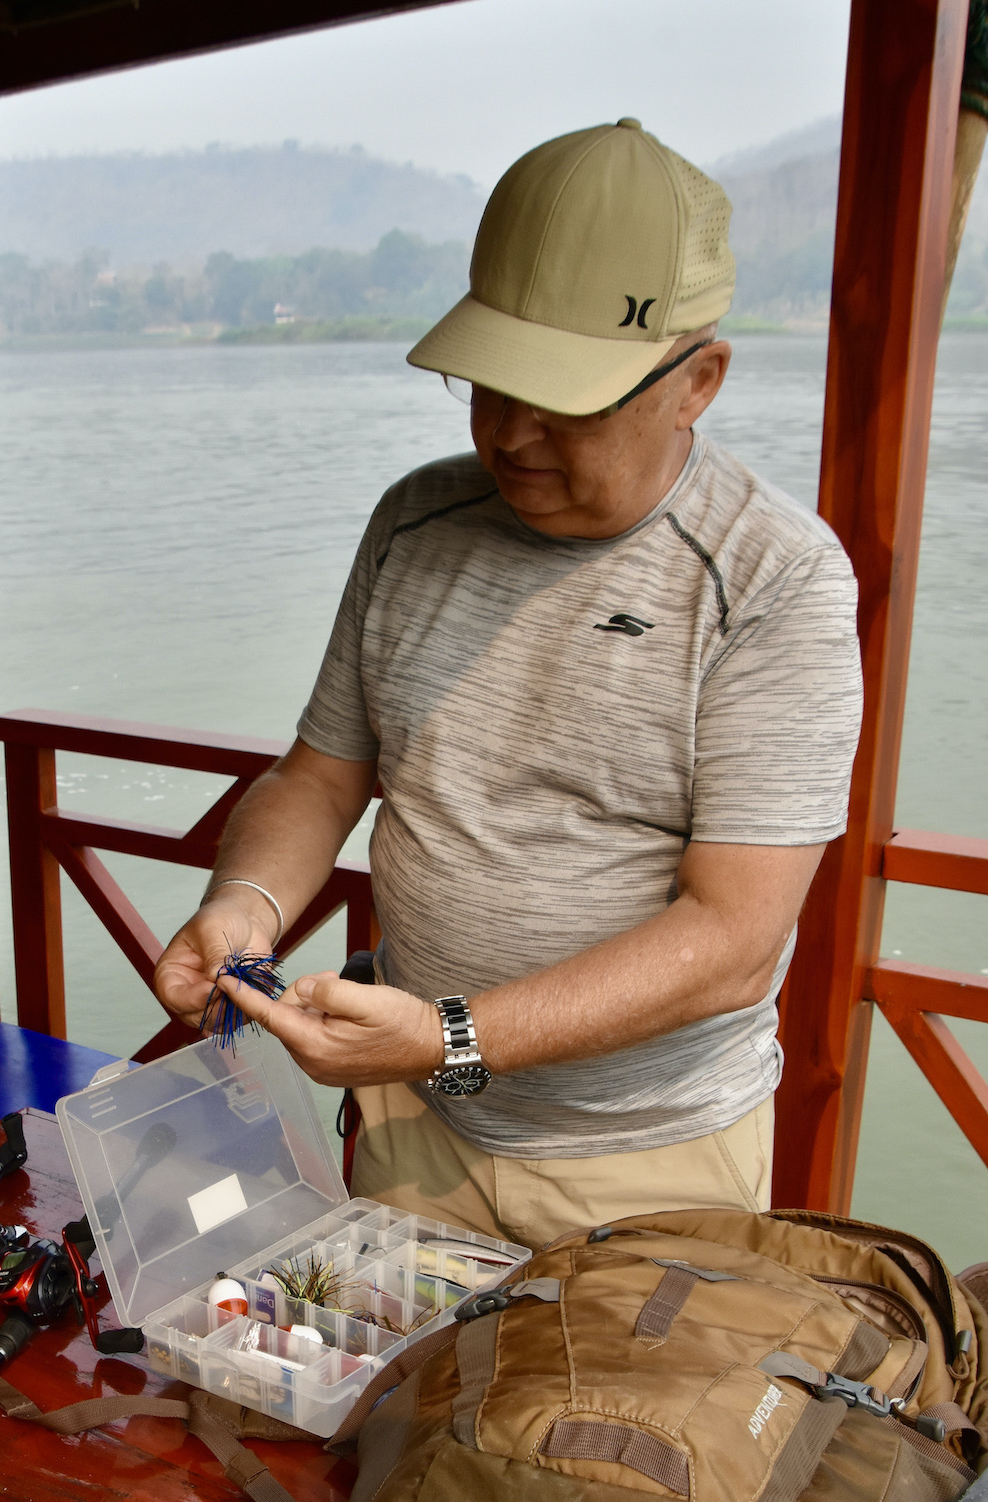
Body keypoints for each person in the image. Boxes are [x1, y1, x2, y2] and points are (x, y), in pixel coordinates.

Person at [155, 119, 862, 1251]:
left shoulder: (774, 580)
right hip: (412, 1122)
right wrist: (248, 903)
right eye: (489, 381)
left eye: (564, 396)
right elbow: (321, 776)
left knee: (606, 1435)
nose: (512, 431)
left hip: (642, 1160)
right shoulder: (415, 522)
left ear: (699, 382)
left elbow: (731, 939)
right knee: (384, 1417)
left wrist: (450, 1034)